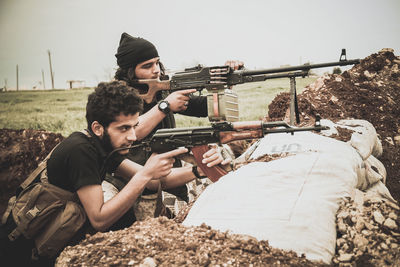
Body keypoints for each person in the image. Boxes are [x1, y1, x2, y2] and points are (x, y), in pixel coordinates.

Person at [0, 80, 224, 266]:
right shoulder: (81, 151)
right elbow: (99, 218)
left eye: (134, 126)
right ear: (98, 128)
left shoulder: (102, 146)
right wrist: (145, 175)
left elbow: (154, 182)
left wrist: (199, 170)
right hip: (21, 254)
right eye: (124, 128)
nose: (133, 136)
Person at [110, 32, 241, 212]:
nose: (156, 70)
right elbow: (133, 132)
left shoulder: (161, 92)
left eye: (157, 62)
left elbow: (206, 108)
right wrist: (165, 106)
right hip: (137, 190)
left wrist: (224, 82)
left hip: (172, 180)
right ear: (130, 72)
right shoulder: (117, 97)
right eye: (147, 66)